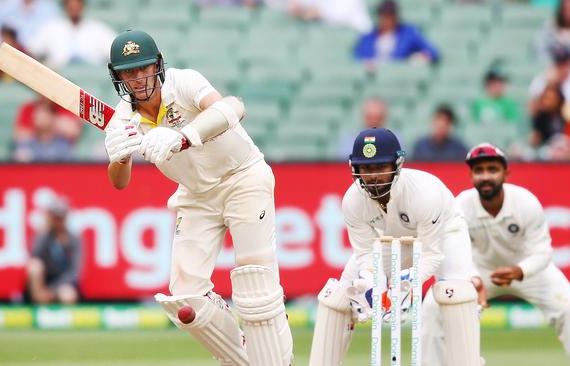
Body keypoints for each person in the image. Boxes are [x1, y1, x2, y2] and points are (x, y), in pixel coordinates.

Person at [103, 30, 292, 365]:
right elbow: (120, 183)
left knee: (255, 282)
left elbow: (233, 107)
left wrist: (183, 137)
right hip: (195, 196)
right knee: (185, 297)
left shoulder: (183, 82)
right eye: (128, 73)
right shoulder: (123, 118)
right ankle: (244, 354)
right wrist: (118, 155)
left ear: (157, 65)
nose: (138, 78)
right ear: (118, 77)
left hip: (243, 177)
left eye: (143, 68)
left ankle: (277, 358)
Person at [309, 127, 482, 366]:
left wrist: (407, 284)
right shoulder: (352, 201)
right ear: (355, 169)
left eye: (380, 167)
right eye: (366, 169)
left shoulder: (424, 194)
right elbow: (367, 255)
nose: (373, 176)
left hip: (445, 234)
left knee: (456, 296)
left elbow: (431, 254)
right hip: (392, 240)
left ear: (397, 164)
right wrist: (373, 285)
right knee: (340, 293)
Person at [454, 143, 570, 366]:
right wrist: (473, 278)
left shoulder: (525, 202)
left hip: (528, 270)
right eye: (478, 171)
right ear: (471, 176)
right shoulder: (461, 204)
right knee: (436, 306)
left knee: (569, 309)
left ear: (506, 173)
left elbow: (542, 251)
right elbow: (456, 252)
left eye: (492, 169)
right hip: (481, 271)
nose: (485, 176)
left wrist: (519, 271)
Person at [25, 196, 81, 305]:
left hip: (63, 282)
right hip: (44, 281)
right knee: (34, 266)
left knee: (67, 295)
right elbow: (34, 256)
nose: (59, 221)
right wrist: (44, 233)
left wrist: (52, 289)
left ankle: (64, 320)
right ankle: (39, 307)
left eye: (61, 217)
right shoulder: (45, 236)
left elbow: (74, 271)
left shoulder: (74, 239)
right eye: (56, 217)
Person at [27, 0, 115, 69]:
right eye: (70, 4)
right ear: (65, 6)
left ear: (82, 6)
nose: (74, 8)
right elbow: (32, 50)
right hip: (59, 76)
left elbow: (114, 52)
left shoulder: (98, 29)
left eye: (77, 4)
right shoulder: (51, 27)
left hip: (90, 78)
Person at [354, 0, 439, 65]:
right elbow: (357, 57)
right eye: (384, 15)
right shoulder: (369, 37)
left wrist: (417, 58)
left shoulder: (408, 33)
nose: (388, 19)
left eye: (391, 15)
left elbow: (432, 53)